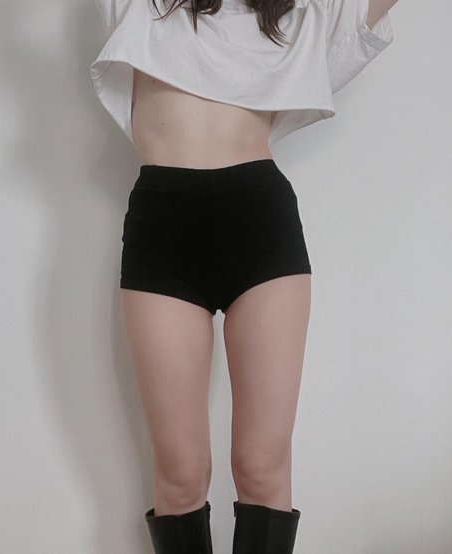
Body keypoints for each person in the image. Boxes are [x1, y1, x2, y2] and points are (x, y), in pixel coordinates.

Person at [90, 0, 397, 552]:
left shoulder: (300, 14)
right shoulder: (141, 6)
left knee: (261, 466)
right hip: (163, 224)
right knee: (181, 474)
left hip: (261, 221)